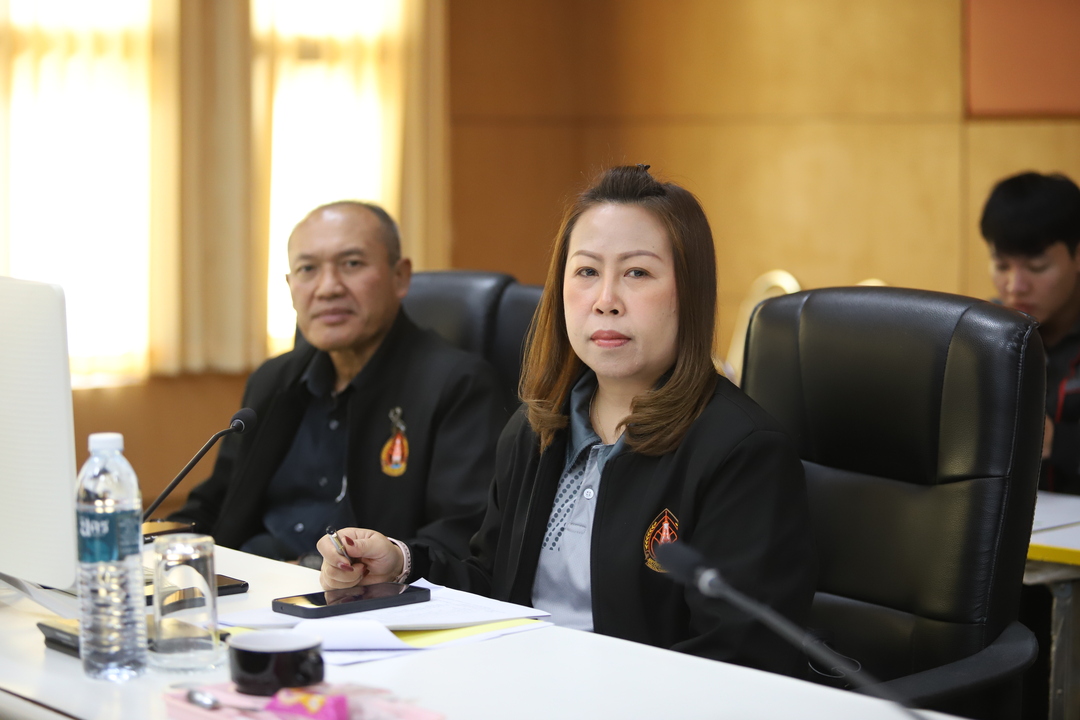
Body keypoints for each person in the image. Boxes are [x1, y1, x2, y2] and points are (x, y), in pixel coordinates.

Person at [315, 166, 817, 677]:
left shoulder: (740, 451)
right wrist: (400, 564)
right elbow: (493, 587)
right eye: (586, 272)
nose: (606, 301)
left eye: (637, 273)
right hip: (519, 686)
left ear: (689, 291)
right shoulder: (536, 429)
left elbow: (740, 658)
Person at [170, 201, 506, 565]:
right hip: (253, 580)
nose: (328, 288)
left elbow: (460, 536)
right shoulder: (273, 380)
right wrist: (155, 542)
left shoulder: (457, 385)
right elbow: (216, 504)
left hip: (361, 590)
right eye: (307, 269)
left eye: (352, 264)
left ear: (400, 276)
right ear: (290, 286)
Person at [981, 171, 1080, 493]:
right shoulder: (981, 336)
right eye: (1002, 266)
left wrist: (1057, 442)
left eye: (1037, 267)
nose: (1015, 287)